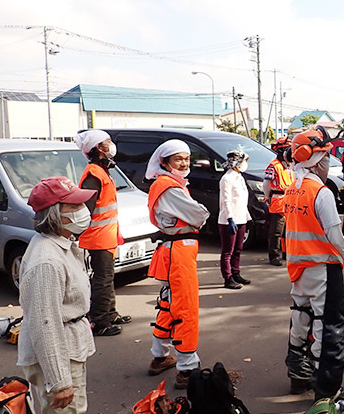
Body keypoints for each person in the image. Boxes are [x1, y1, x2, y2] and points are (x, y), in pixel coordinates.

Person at [18, 176, 110, 414]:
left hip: (69, 345)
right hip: (56, 352)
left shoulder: (62, 245)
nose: (84, 209)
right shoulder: (46, 260)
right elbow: (45, 325)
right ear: (56, 213)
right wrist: (59, 381)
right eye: (76, 205)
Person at [283, 129, 344, 398]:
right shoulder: (320, 192)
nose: (327, 164)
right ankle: (326, 388)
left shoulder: (293, 188)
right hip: (322, 265)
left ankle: (297, 373)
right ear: (313, 160)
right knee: (328, 323)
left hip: (298, 266)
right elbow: (334, 231)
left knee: (301, 316)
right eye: (325, 158)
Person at [144, 140, 210, 389]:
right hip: (178, 253)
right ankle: (187, 368)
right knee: (185, 309)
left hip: (173, 251)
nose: (183, 163)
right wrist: (197, 216)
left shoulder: (168, 185)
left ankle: (159, 355)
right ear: (164, 162)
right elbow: (200, 215)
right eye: (178, 159)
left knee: (169, 305)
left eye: (186, 159)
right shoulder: (169, 187)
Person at [75, 130, 131, 337]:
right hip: (98, 237)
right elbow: (86, 209)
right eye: (107, 142)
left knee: (107, 277)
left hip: (106, 235)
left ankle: (110, 313)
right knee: (103, 278)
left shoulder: (101, 170)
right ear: (99, 147)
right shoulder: (94, 174)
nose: (111, 145)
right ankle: (100, 321)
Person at [218, 149, 252, 289]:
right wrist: (230, 218)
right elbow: (226, 201)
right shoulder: (227, 178)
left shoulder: (240, 177)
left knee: (238, 249)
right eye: (244, 161)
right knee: (228, 251)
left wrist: (247, 217)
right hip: (228, 220)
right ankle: (228, 277)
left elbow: (243, 200)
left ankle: (236, 273)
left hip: (241, 218)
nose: (245, 164)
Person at [264, 136, 294, 266]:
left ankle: (287, 253)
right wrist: (267, 198)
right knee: (276, 231)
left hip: (289, 201)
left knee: (288, 231)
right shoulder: (274, 166)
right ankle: (274, 256)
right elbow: (266, 184)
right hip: (278, 200)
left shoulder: (290, 166)